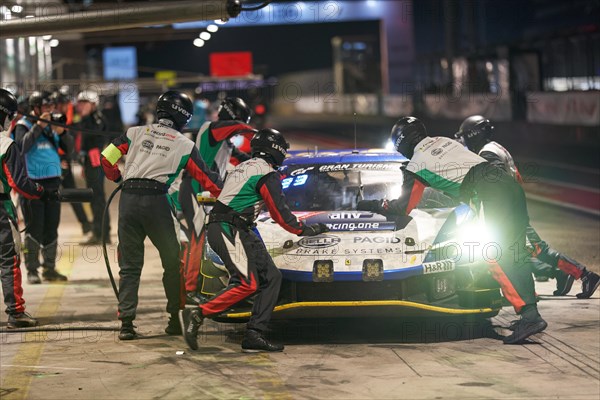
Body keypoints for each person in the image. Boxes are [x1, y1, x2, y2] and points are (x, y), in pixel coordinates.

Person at [357, 116, 544, 344]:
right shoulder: (444, 141)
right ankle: (529, 311)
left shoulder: (415, 165)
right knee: (515, 253)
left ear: (401, 143)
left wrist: (374, 205)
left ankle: (529, 315)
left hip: (488, 195)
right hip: (509, 187)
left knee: (495, 255)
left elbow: (403, 207)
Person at [180, 129, 329, 353]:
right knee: (246, 283)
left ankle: (254, 334)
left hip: (235, 227)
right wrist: (306, 229)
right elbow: (281, 215)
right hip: (229, 228)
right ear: (276, 150)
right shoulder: (267, 173)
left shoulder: (243, 167)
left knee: (271, 276)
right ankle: (199, 313)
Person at [100, 90, 223, 341]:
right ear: (185, 118)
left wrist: (118, 178)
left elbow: (106, 157)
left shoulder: (134, 132)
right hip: (157, 202)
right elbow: (207, 179)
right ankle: (174, 321)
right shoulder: (185, 144)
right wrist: (229, 196)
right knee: (172, 263)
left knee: (130, 266)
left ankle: (126, 324)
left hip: (129, 201)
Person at [455, 115, 600, 299]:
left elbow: (498, 186)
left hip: (508, 214)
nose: (462, 140)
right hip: (511, 210)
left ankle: (585, 276)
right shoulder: (494, 147)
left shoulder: (487, 154)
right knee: (525, 251)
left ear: (473, 134)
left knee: (536, 249)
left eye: (464, 136)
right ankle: (561, 277)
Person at [179, 97, 255, 305]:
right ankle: (189, 292)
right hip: (194, 190)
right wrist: (258, 134)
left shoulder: (225, 142)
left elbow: (242, 159)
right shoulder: (211, 129)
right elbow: (238, 126)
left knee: (207, 240)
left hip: (208, 194)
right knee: (197, 240)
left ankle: (215, 286)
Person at [0, 89, 53, 327]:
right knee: (8, 259)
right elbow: (19, 183)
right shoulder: (6, 144)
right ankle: (16, 312)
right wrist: (42, 192)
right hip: (1, 210)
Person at [12, 91, 72, 284]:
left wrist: (62, 133)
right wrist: (39, 126)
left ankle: (49, 268)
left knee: (51, 227)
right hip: (32, 184)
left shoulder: (53, 126)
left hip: (53, 181)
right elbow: (21, 146)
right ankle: (31, 270)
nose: (49, 110)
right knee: (33, 227)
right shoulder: (24, 125)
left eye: (51, 107)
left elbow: (70, 148)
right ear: (35, 108)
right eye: (45, 107)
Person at [52, 91, 93, 236]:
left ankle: (86, 224)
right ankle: (85, 224)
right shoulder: (52, 118)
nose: (65, 106)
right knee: (60, 194)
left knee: (70, 193)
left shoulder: (65, 115)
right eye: (62, 104)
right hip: (56, 159)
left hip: (63, 158)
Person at [74, 90, 110, 245]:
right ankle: (100, 231)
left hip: (95, 161)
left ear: (93, 104)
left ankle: (101, 233)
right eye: (80, 103)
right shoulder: (86, 119)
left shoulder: (96, 119)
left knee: (97, 198)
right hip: (90, 161)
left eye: (84, 103)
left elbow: (95, 140)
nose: (80, 106)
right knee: (94, 197)